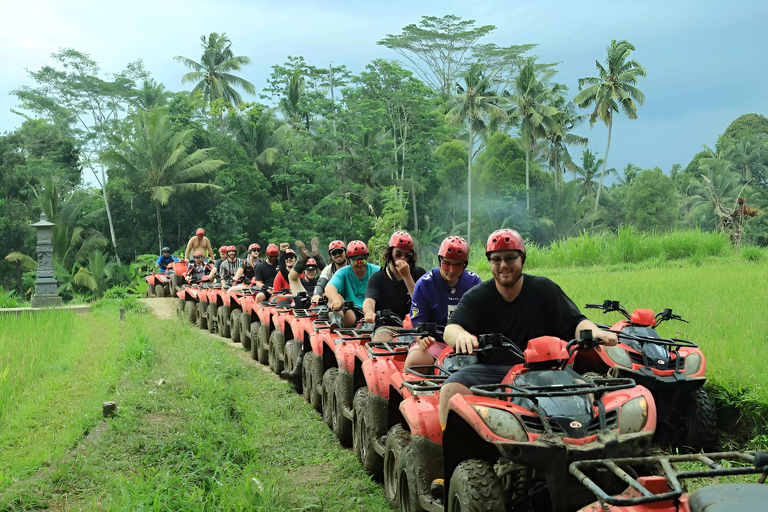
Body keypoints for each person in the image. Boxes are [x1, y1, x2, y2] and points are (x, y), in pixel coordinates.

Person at [438, 228, 618, 427]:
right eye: (496, 260)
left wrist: (595, 333)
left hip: (548, 368)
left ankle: (589, 441)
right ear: (490, 262)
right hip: (493, 368)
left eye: (510, 258)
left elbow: (576, 322)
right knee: (450, 389)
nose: (503, 265)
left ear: (522, 259)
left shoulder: (544, 289)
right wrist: (462, 336)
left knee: (585, 391)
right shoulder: (477, 296)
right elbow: (451, 328)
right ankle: (451, 453)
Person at [403, 236, 482, 370]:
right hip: (434, 342)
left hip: (467, 341)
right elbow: (418, 325)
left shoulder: (474, 282)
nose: (451, 269)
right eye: (447, 263)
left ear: (465, 265)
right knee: (414, 363)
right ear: (440, 260)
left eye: (458, 264)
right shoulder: (424, 284)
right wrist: (422, 338)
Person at [363, 231, 427, 340]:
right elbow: (369, 300)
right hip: (387, 327)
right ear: (390, 253)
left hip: (415, 327)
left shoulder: (419, 274)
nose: (402, 258)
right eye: (398, 254)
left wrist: (407, 276)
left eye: (407, 255)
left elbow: (422, 302)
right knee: (381, 343)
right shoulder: (377, 278)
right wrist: (369, 312)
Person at [325, 240, 380, 327]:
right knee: (335, 299)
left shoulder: (377, 271)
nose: (360, 264)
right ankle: (337, 325)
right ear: (349, 260)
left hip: (375, 312)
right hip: (352, 312)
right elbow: (329, 288)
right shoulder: (343, 272)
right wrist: (336, 300)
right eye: (356, 261)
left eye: (363, 261)